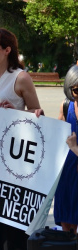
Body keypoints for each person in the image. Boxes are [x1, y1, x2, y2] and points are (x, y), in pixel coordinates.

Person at [0, 28, 43, 250]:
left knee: (13, 231)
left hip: (14, 166)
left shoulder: (21, 77)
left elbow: (39, 118)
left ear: (7, 50)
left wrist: (16, 112)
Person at [54, 65, 78, 235]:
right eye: (77, 90)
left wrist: (75, 148)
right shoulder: (65, 106)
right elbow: (53, 135)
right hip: (66, 170)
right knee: (65, 219)